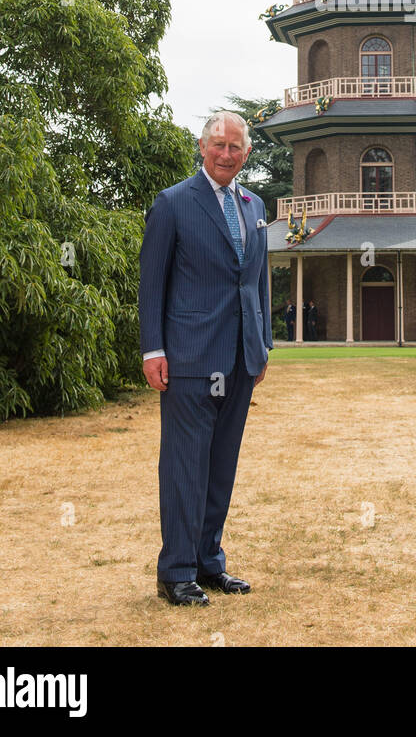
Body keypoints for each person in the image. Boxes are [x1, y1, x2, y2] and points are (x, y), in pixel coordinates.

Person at [139, 110, 273, 605]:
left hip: (240, 359)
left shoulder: (255, 205)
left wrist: (263, 347)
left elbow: (258, 280)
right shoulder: (173, 203)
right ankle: (175, 571)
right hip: (189, 359)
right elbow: (152, 281)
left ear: (247, 154)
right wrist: (153, 348)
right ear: (201, 146)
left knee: (220, 467)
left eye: (235, 147)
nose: (226, 154)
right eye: (218, 144)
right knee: (184, 467)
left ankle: (208, 562)